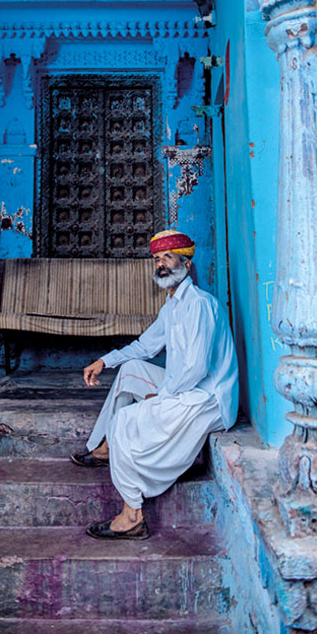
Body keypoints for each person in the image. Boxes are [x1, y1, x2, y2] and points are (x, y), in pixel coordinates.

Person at [71, 229, 239, 540]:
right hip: (184, 386)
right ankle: (107, 448)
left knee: (124, 421)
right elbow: (145, 347)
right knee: (133, 368)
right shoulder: (172, 305)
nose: (160, 264)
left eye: (168, 258)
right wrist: (104, 361)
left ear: (186, 265)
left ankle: (132, 516)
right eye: (157, 259)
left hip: (207, 398)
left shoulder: (199, 304)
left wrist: (160, 395)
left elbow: (197, 367)